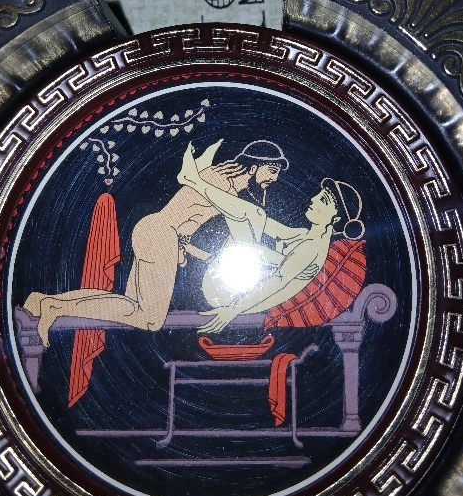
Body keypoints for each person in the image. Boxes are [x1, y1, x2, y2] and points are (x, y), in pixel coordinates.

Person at [24, 139, 288, 346]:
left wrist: (200, 254)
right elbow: (236, 224)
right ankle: (56, 307)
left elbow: (186, 221)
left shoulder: (226, 185)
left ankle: (44, 302)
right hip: (160, 235)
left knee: (130, 305)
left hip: (157, 232)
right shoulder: (221, 184)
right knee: (150, 319)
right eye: (272, 170)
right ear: (254, 166)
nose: (274, 179)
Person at [175, 142, 364, 334]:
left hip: (230, 294)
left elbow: (277, 281)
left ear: (335, 219)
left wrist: (233, 309)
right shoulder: (304, 236)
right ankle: (194, 185)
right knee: (255, 215)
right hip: (233, 284)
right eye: (318, 195)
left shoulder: (312, 247)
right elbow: (268, 227)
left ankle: (192, 180)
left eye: (323, 200)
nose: (313, 200)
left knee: (253, 214)